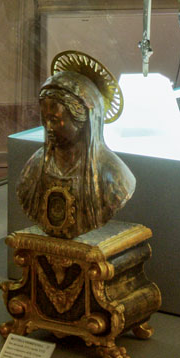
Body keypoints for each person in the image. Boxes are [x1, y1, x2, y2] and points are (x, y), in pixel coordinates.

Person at [15, 53, 135, 240]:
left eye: (54, 120)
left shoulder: (113, 174)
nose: (48, 127)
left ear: (82, 120)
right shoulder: (34, 167)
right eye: (44, 119)